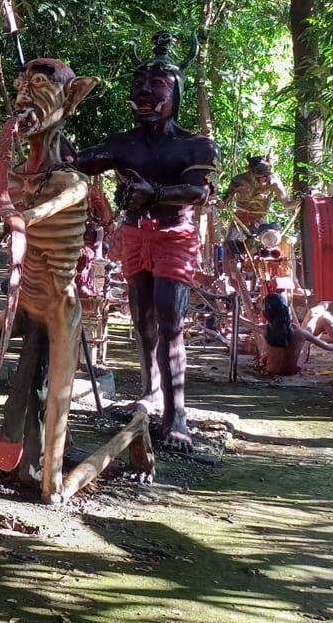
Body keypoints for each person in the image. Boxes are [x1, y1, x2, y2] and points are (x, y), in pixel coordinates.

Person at [75, 32, 217, 451]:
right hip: (136, 236)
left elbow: (197, 192)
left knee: (171, 323)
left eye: (156, 87)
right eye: (138, 87)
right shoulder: (122, 144)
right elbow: (76, 159)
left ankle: (178, 415)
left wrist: (154, 194)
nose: (144, 94)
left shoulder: (196, 145)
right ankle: (151, 390)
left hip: (176, 237)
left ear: (175, 94)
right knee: (141, 318)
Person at [254, 293, 333, 375]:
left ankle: (325, 302)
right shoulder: (301, 334)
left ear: (265, 314)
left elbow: (243, 321)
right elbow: (328, 347)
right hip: (293, 370)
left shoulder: (263, 330)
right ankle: (326, 302)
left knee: (316, 314)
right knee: (318, 315)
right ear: (286, 312)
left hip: (271, 370)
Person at [222, 155, 295, 255]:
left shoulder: (273, 182)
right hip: (240, 219)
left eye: (267, 175)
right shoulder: (238, 181)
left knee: (270, 243)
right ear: (251, 172)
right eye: (262, 176)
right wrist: (217, 203)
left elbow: (287, 204)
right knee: (230, 243)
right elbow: (225, 201)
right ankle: (234, 266)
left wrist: (303, 200)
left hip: (260, 219)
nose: (266, 178)